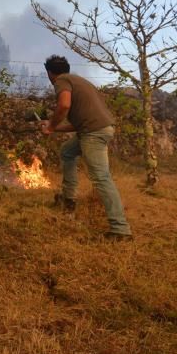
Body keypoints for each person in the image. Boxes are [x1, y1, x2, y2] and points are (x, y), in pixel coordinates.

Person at [40, 55, 133, 241]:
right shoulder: (80, 81)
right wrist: (55, 128)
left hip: (94, 133)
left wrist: (50, 126)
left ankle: (120, 229)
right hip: (97, 128)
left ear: (50, 73)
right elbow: (79, 123)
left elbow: (64, 105)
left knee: (101, 178)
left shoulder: (61, 80)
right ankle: (69, 200)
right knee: (67, 151)